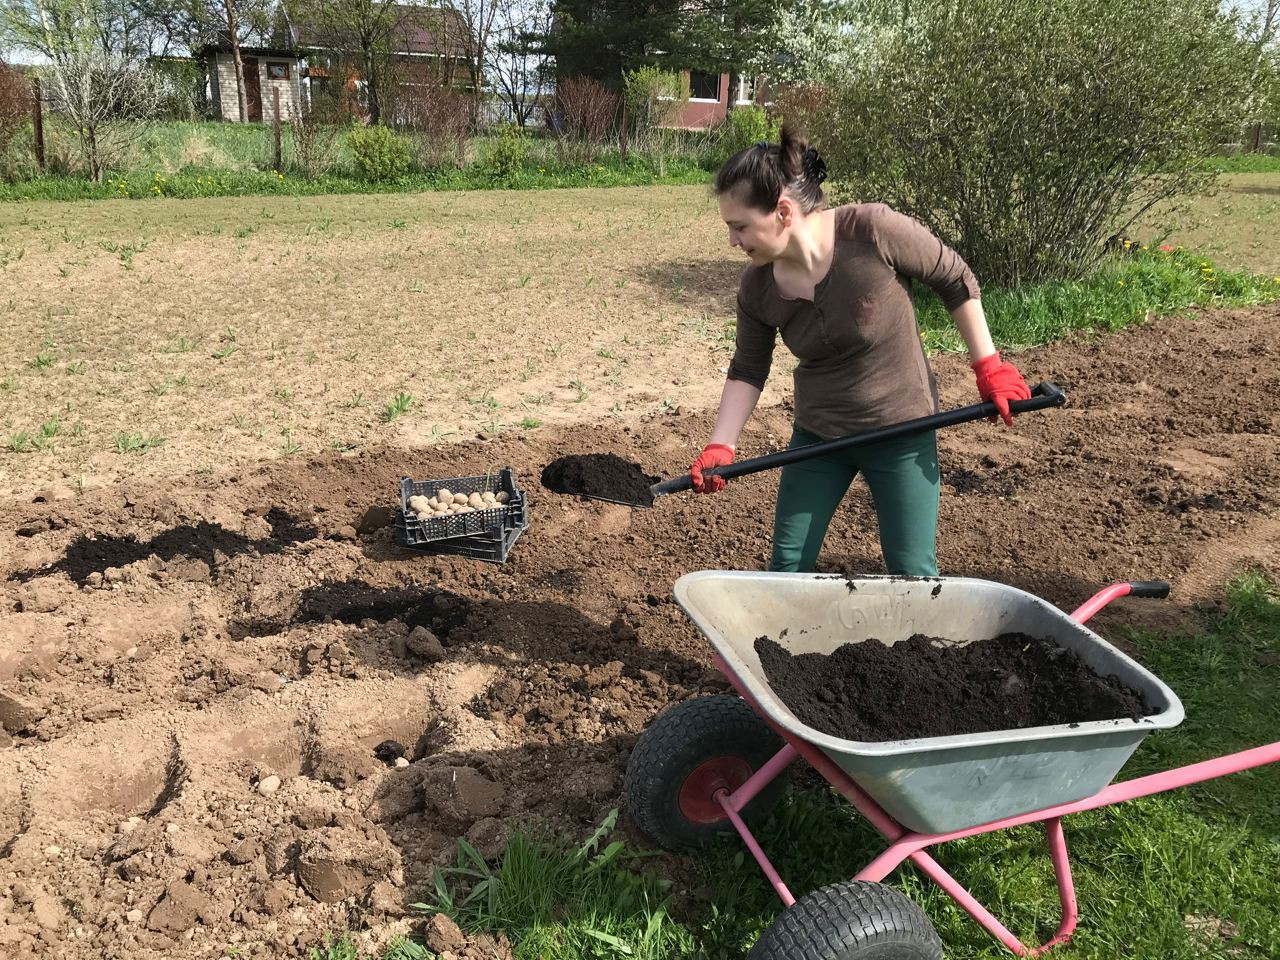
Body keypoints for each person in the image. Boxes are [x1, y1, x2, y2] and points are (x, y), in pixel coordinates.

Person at [690, 126, 1031, 577]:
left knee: (912, 571)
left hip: (901, 430)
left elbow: (954, 278)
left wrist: (989, 367)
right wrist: (721, 443)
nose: (733, 241)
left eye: (740, 227)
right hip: (819, 436)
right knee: (787, 568)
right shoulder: (757, 287)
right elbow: (748, 368)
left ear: (783, 212)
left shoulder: (872, 232)